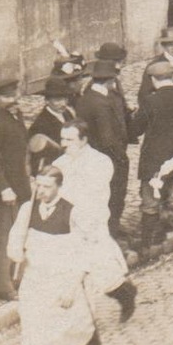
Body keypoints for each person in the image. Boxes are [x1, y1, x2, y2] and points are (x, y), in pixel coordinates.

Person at [9, 167, 108, 345]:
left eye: (47, 187)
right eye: (38, 186)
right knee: (34, 326)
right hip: (36, 278)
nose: (41, 191)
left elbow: (86, 251)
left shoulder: (73, 212)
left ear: (58, 187)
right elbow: (16, 237)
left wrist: (73, 287)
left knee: (77, 323)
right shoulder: (27, 208)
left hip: (63, 277)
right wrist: (16, 255)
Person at [50, 122, 136, 322]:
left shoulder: (100, 162)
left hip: (92, 225)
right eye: (62, 139)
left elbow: (93, 193)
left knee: (102, 273)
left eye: (70, 139)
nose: (64, 144)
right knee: (73, 272)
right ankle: (83, 321)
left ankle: (125, 295)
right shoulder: (61, 163)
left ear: (84, 140)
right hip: (68, 227)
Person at [130, 60, 173, 249]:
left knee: (150, 204)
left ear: (154, 79)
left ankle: (147, 245)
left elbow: (136, 129)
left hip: (154, 162)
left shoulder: (149, 101)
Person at [0, 79, 34, 301]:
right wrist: (3, 188)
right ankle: (2, 285)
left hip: (21, 186)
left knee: (20, 233)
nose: (11, 100)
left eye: (13, 95)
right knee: (5, 236)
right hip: (6, 191)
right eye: (6, 97)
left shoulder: (16, 116)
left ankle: (16, 278)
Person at [74, 58, 131, 235]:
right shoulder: (101, 103)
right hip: (109, 157)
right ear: (109, 80)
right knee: (114, 193)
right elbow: (108, 139)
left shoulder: (87, 97)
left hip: (91, 154)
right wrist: (122, 157)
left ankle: (109, 227)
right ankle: (111, 229)